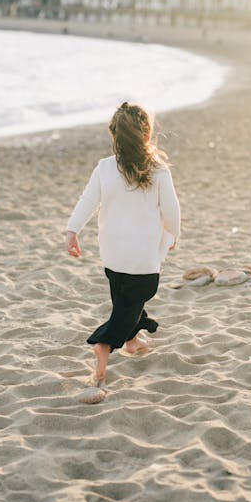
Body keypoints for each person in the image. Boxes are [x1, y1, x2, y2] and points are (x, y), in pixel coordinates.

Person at [65, 102, 180, 386]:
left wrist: (72, 230)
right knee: (137, 295)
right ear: (146, 134)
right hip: (142, 255)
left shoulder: (105, 168)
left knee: (124, 297)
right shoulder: (158, 171)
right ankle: (104, 344)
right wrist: (174, 234)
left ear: (114, 135)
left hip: (112, 253)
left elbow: (87, 201)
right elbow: (172, 211)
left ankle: (133, 341)